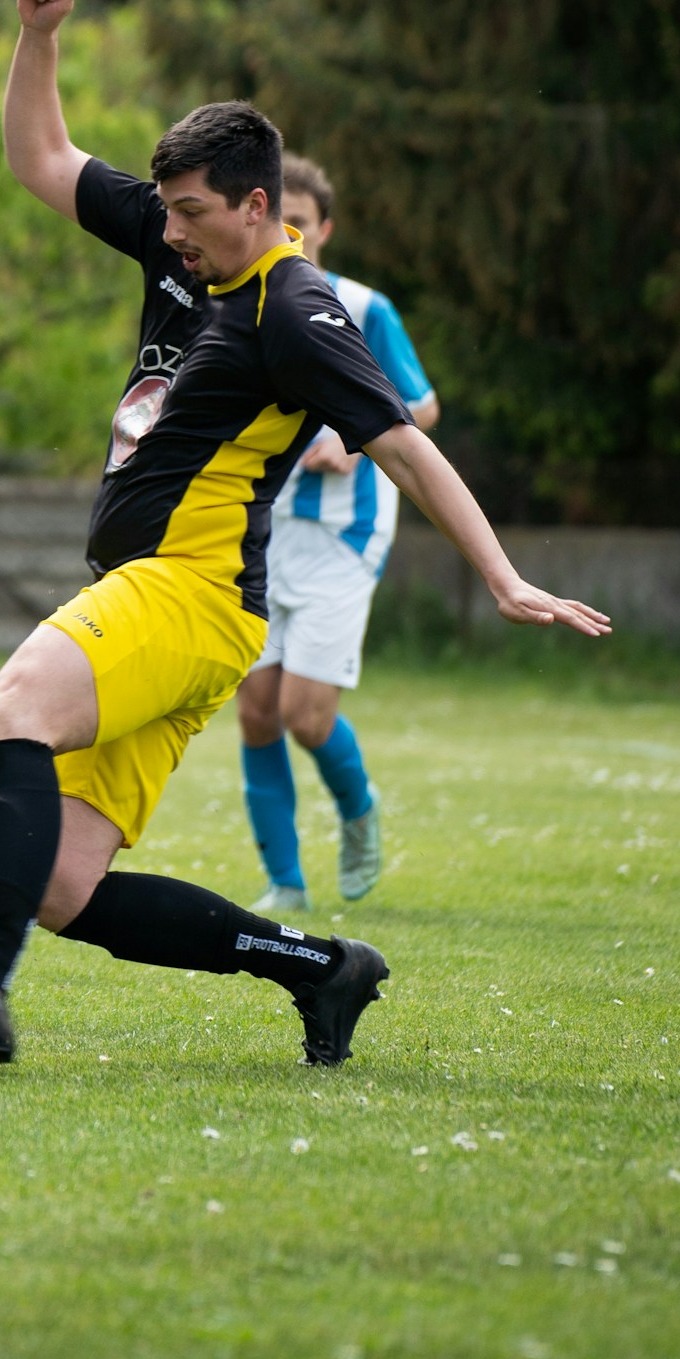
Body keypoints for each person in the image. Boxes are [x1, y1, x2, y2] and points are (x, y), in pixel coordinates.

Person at [0, 0, 610, 1072]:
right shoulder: (177, 240)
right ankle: (321, 966)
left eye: (193, 214)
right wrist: (36, 36)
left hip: (187, 590)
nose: (172, 233)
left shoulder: (298, 309)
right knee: (63, 887)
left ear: (260, 208)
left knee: (9, 714)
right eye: (169, 211)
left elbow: (404, 444)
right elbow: (39, 160)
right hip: (158, 600)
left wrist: (502, 575)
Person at [236, 154, 439, 916]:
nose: (288, 230)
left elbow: (421, 406)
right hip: (260, 532)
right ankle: (285, 880)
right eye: (275, 216)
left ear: (323, 228)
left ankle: (358, 811)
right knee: (256, 709)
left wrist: (350, 436)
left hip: (343, 537)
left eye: (301, 220)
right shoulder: (238, 302)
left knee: (305, 713)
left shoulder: (361, 305)